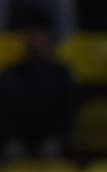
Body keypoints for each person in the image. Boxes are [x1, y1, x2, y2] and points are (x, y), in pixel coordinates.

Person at [0, 10, 74, 161]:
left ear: (50, 38)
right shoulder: (9, 73)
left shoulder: (62, 73)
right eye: (30, 35)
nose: (34, 40)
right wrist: (9, 139)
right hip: (14, 143)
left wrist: (56, 138)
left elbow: (67, 111)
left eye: (39, 35)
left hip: (52, 143)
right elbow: (3, 111)